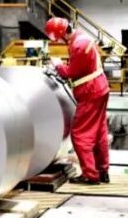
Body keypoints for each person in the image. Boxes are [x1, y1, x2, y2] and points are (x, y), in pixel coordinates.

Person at [45, 16, 110, 184]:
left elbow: (71, 72)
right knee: (99, 131)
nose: (58, 42)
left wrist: (57, 65)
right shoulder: (82, 37)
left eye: (57, 39)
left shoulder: (78, 46)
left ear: (61, 34)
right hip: (100, 88)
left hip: (90, 92)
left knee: (80, 133)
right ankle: (103, 171)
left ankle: (90, 175)